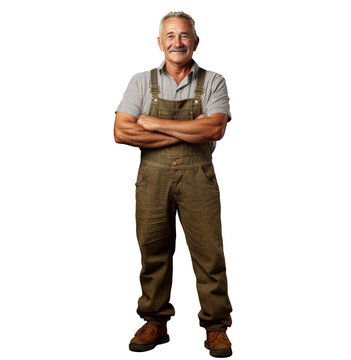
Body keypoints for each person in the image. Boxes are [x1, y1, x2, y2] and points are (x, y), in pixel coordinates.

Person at [113, 11, 233, 358]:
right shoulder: (141, 81)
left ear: (194, 41)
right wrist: (184, 130)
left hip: (199, 176)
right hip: (153, 177)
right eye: (170, 36)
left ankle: (216, 326)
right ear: (159, 42)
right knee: (153, 251)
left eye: (184, 36)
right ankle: (155, 321)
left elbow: (214, 130)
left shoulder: (213, 81)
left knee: (209, 255)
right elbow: (122, 132)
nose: (177, 42)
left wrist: (154, 124)